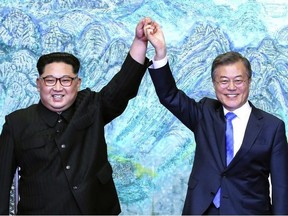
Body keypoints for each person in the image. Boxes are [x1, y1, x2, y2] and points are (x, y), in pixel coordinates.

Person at [0, 17, 153, 215]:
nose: (57, 87)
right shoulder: (16, 123)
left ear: (77, 83)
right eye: (49, 80)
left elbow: (122, 87)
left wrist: (140, 41)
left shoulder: (91, 106)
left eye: (65, 80)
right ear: (39, 84)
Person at [143, 21, 288, 214]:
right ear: (214, 84)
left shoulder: (273, 127)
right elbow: (169, 95)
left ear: (249, 81)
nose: (231, 87)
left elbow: (281, 187)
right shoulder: (204, 113)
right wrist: (160, 52)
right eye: (224, 81)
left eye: (238, 80)